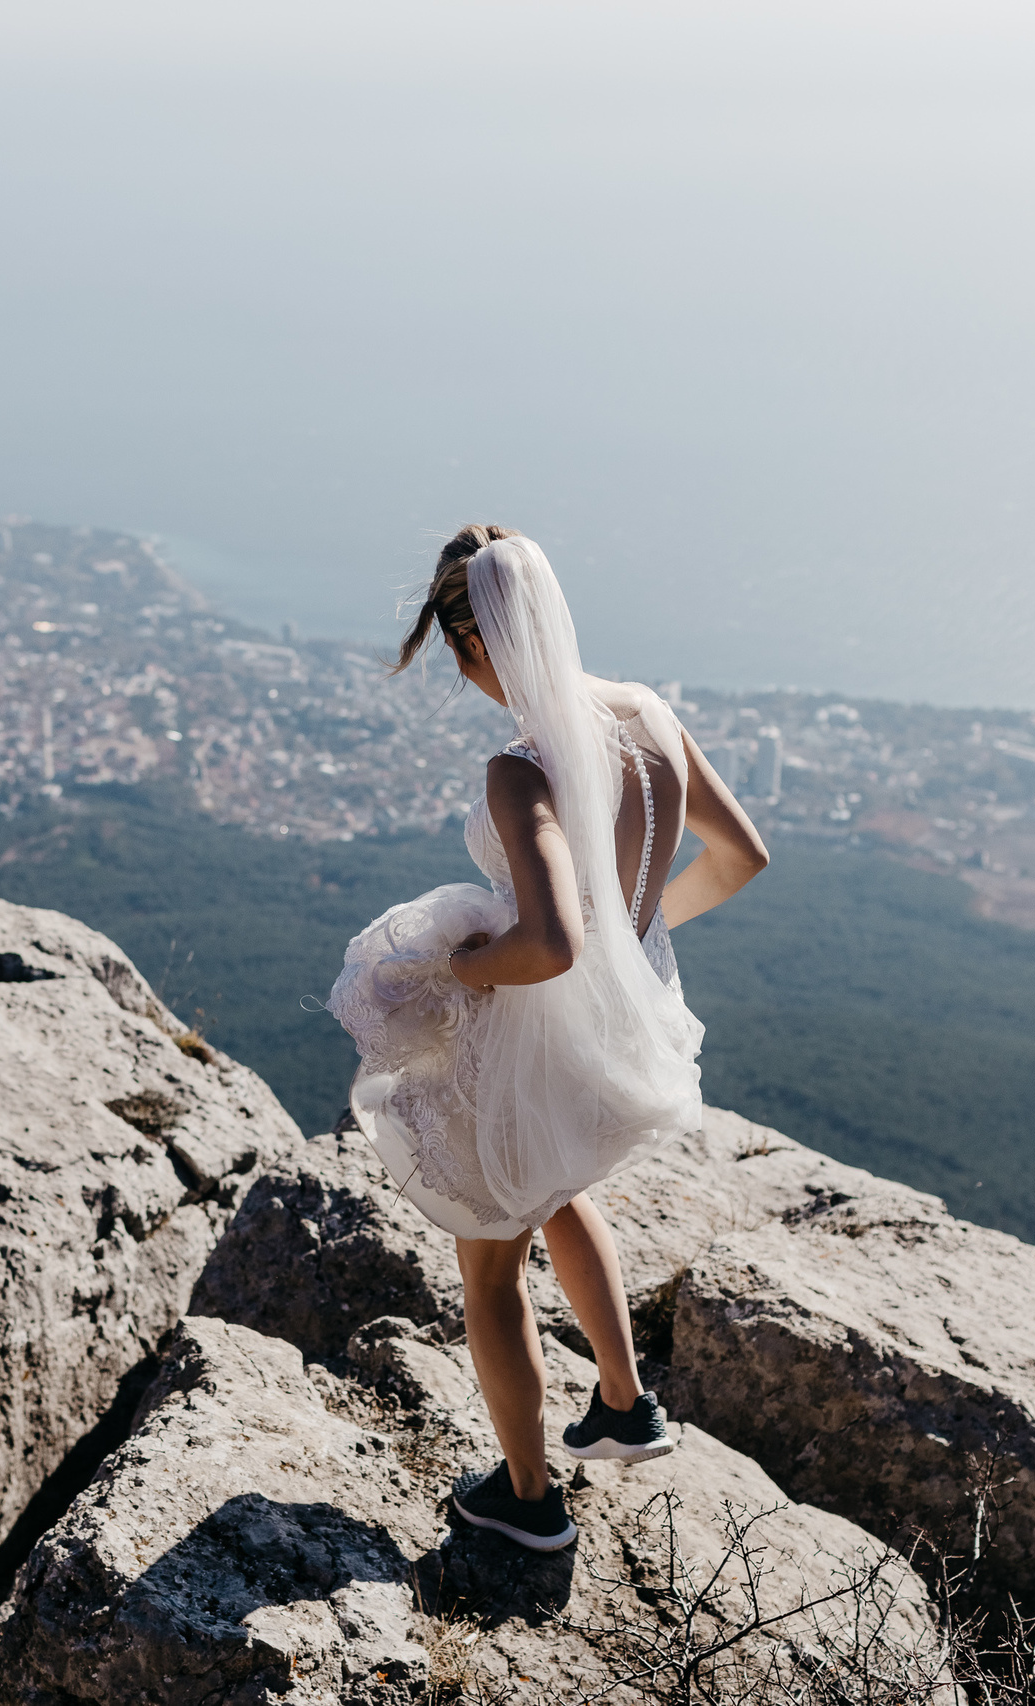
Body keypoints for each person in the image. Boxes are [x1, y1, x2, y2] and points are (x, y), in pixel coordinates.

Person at [326, 526, 770, 1553]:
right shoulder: (648, 713)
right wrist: (634, 937)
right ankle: (621, 1399)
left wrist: (459, 968)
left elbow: (549, 943)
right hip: (622, 1030)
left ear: (469, 643)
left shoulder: (521, 769)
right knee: (559, 1185)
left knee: (489, 1268)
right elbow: (740, 854)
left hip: (536, 1029)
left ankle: (526, 1501)